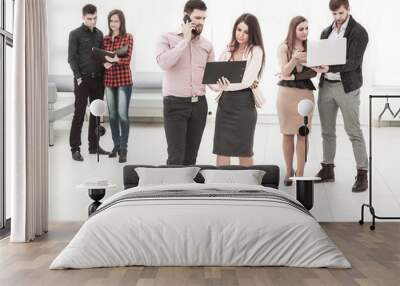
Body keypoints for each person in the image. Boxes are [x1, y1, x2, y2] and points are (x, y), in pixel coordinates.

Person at [315, 0, 369, 192]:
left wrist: (329, 66)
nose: (337, 18)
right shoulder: (325, 32)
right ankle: (328, 169)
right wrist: (316, 64)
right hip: (326, 86)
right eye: (334, 14)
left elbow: (353, 62)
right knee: (327, 131)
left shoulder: (359, 32)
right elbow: (321, 56)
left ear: (348, 9)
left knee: (353, 131)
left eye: (340, 13)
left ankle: (362, 173)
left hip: (347, 87)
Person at [156, 0, 215, 165]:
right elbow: (164, 63)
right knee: (176, 158)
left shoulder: (207, 45)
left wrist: (222, 85)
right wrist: (185, 40)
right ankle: (172, 191)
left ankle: (188, 191)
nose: (201, 22)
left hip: (199, 106)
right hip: (175, 104)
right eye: (197, 17)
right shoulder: (166, 38)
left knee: (191, 158)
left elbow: (211, 79)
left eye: (204, 19)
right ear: (186, 16)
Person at [276, 16, 328, 186]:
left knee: (303, 134)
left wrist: (300, 72)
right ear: (293, 30)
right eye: (301, 29)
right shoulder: (283, 47)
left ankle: (300, 172)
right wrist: (295, 59)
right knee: (287, 134)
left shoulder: (311, 48)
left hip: (305, 94)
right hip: (286, 95)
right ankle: (289, 170)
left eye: (307, 28)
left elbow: (314, 72)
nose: (305, 32)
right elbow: (284, 71)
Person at [212, 13, 265, 167]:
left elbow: (247, 81)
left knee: (244, 150)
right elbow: (216, 78)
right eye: (239, 29)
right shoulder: (227, 50)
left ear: (252, 33)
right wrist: (219, 85)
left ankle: (247, 189)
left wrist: (224, 85)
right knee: (221, 149)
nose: (241, 35)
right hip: (225, 105)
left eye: (246, 32)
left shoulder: (256, 51)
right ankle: (222, 188)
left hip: (244, 106)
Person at [68, 4, 110, 161]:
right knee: (79, 114)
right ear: (83, 17)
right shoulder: (75, 34)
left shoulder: (99, 34)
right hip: (82, 79)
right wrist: (78, 77)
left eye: (95, 18)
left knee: (96, 114)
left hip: (98, 79)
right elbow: (71, 58)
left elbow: (101, 56)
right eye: (89, 19)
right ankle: (75, 148)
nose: (93, 21)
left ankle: (94, 146)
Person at [102, 9, 134, 163]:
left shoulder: (128, 37)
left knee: (122, 115)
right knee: (112, 116)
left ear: (121, 22)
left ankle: (123, 148)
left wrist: (114, 60)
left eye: (116, 21)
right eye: (111, 21)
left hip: (123, 81)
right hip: (109, 81)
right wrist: (104, 62)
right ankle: (116, 145)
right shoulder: (105, 39)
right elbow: (101, 57)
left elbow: (127, 60)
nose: (113, 24)